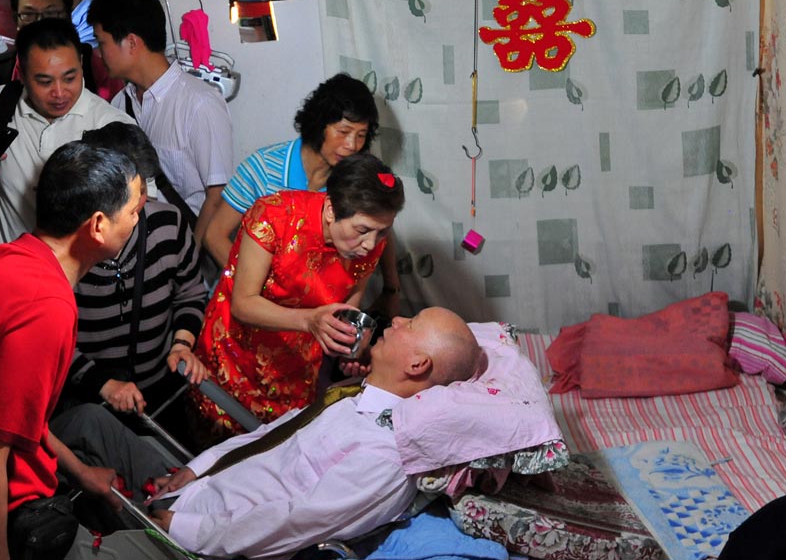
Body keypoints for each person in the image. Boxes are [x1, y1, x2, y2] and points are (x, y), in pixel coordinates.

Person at [56, 306, 482, 560]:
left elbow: (290, 522)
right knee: (89, 420)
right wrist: (196, 469)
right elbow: (267, 437)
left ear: (418, 366)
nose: (399, 318)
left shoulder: (385, 455)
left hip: (204, 542)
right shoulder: (354, 396)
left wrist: (181, 526)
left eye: (412, 324)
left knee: (61, 549)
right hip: (201, 485)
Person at [0, 141, 143, 560]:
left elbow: (11, 410)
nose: (139, 220)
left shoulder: (3, 257)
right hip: (12, 508)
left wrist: (81, 471)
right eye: (135, 211)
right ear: (99, 225)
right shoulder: (46, 308)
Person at [191, 153, 405, 438]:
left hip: (297, 369)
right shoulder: (275, 216)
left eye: (382, 232)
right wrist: (309, 321)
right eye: (363, 230)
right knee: (215, 450)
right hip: (237, 355)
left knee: (275, 451)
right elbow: (243, 303)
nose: (370, 244)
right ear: (331, 209)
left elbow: (346, 309)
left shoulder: (372, 243)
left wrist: (350, 351)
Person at [204, 72, 403, 320]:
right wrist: (262, 290)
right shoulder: (265, 168)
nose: (352, 145)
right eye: (343, 131)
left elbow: (377, 230)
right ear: (319, 124)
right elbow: (214, 236)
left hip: (313, 317)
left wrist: (391, 289)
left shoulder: (352, 183)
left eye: (361, 135)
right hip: (250, 310)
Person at [63, 122, 209, 425]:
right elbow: (52, 339)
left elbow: (191, 293)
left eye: (144, 186)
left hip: (160, 390)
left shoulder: (169, 222)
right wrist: (102, 383)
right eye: (131, 191)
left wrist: (182, 344)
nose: (141, 200)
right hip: (91, 402)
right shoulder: (64, 243)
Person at [89, 0, 234, 253]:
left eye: (102, 42)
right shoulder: (119, 104)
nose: (98, 53)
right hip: (139, 253)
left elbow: (217, 197)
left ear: (131, 42)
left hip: (186, 255)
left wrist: (189, 261)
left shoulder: (199, 104)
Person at [0, 17, 134, 246]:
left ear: (81, 62)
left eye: (70, 78)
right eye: (45, 81)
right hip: (12, 273)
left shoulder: (111, 126)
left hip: (80, 279)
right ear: (21, 73)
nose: (59, 93)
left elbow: (139, 210)